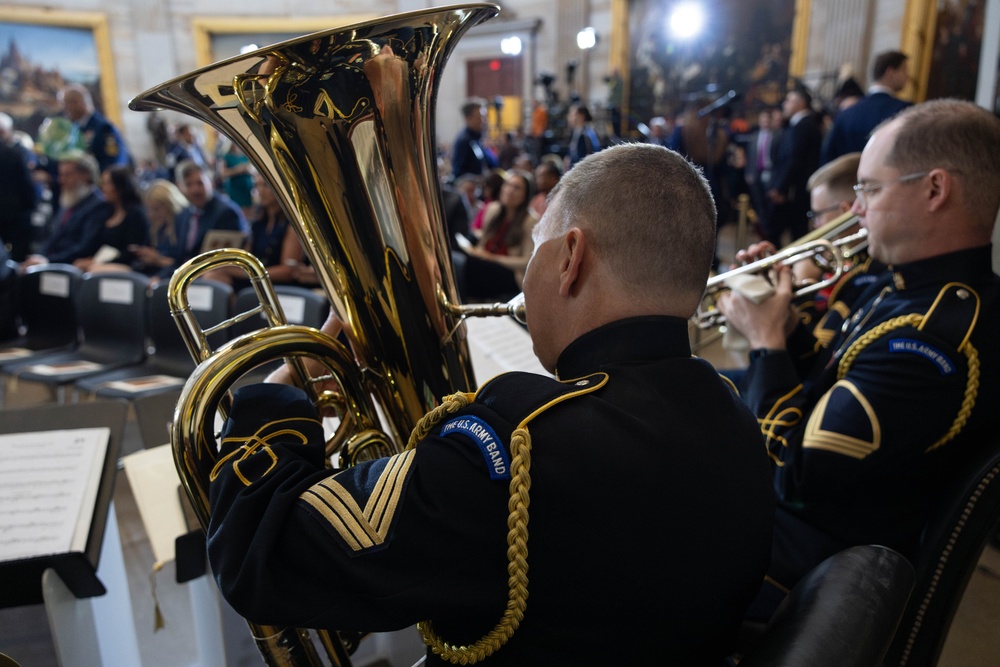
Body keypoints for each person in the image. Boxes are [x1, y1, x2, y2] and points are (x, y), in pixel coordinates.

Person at [207, 143, 775, 665]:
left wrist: (293, 377)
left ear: (571, 256)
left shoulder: (520, 446)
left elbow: (260, 551)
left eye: (535, 249)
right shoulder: (737, 419)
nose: (527, 278)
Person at [717, 99, 1000, 620]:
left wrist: (766, 343)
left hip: (818, 567)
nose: (857, 208)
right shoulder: (906, 289)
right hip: (818, 528)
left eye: (870, 188)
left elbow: (794, 473)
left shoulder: (929, 343)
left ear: (935, 189)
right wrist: (785, 324)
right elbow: (830, 383)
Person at [21, 151, 113, 269]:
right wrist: (39, 257)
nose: (61, 180)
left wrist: (48, 261)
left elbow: (84, 247)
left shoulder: (98, 205)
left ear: (85, 175)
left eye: (67, 175)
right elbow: (53, 237)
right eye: (61, 175)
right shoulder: (69, 200)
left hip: (70, 268)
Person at [161, 159, 249, 278]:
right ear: (180, 186)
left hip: (211, 276)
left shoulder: (226, 213)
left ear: (211, 182)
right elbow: (179, 257)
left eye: (200, 183)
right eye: (188, 184)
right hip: (185, 275)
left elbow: (225, 261)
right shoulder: (183, 214)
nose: (195, 190)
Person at [821, 51, 911, 164]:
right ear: (890, 72)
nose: (908, 76)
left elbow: (828, 159)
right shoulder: (905, 110)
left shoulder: (847, 112)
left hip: (847, 180)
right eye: (904, 70)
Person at [463, 170, 537, 301]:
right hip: (486, 263)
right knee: (464, 260)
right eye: (507, 185)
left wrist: (492, 258)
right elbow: (483, 243)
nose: (509, 190)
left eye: (516, 188)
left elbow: (527, 262)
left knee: (469, 265)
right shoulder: (493, 209)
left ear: (526, 195)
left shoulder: (530, 220)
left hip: (511, 273)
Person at [766, 87, 822, 245]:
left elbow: (794, 159)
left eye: (789, 100)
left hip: (794, 191)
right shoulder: (798, 124)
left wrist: (780, 187)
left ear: (801, 103)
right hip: (792, 189)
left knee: (783, 230)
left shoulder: (804, 125)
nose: (785, 104)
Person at [73, 166, 151, 272]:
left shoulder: (136, 214)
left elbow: (133, 251)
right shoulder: (104, 211)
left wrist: (100, 263)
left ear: (120, 186)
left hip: (126, 265)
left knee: (94, 270)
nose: (103, 188)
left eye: (107, 183)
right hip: (100, 262)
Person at [59, 84, 131, 173]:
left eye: (66, 104)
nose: (64, 109)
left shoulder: (103, 126)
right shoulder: (75, 129)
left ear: (78, 103)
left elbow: (115, 162)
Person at [128, 179, 189, 278]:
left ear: (170, 204)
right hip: (154, 273)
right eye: (149, 209)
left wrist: (158, 260)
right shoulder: (157, 227)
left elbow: (181, 264)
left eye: (156, 209)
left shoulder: (183, 225)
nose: (151, 214)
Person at [0, 112, 37, 262]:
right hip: (14, 215)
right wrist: (32, 207)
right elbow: (27, 185)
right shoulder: (14, 154)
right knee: (17, 258)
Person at [451, 100, 494, 181]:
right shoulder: (463, 141)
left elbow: (491, 163)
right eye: (480, 117)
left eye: (484, 117)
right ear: (468, 118)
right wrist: (477, 179)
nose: (483, 121)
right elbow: (459, 173)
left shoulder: (477, 138)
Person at [564, 103, 600, 169]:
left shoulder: (587, 134)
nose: (569, 117)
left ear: (581, 116)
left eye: (572, 114)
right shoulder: (576, 131)